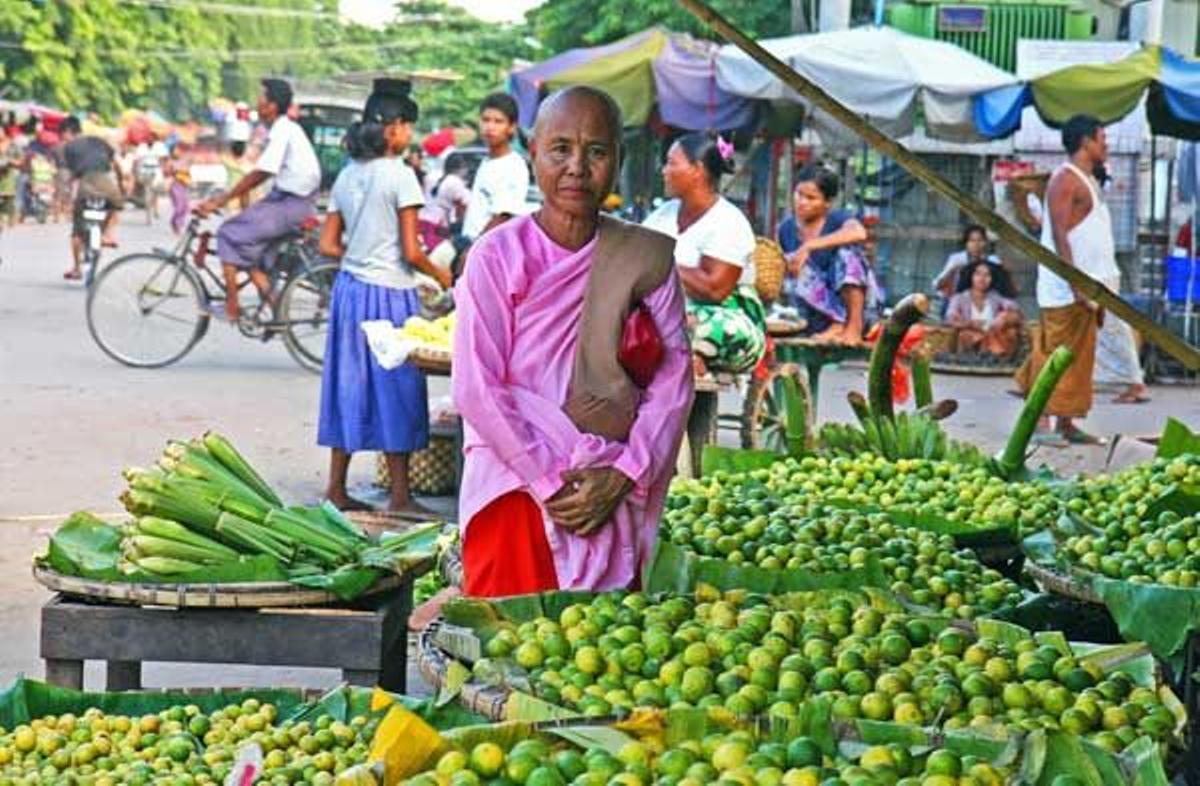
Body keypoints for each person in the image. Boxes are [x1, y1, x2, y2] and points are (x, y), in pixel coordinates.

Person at [453, 85, 692, 596]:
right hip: (515, 479)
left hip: (611, 482)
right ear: (533, 153)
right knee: (501, 650)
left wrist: (626, 473)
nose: (577, 167)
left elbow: (674, 381)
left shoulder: (645, 257)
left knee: (600, 654)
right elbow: (477, 386)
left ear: (619, 163)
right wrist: (549, 481)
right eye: (560, 148)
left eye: (597, 151)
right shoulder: (496, 256)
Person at [317, 79, 453, 514]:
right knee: (398, 389)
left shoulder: (348, 173)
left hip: (349, 292)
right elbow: (412, 251)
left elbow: (327, 244)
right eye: (408, 126)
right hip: (389, 294)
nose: (409, 134)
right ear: (395, 129)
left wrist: (361, 253)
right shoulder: (400, 175)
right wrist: (443, 274)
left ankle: (336, 488)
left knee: (347, 385)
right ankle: (400, 496)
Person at [1014, 115, 1111, 446]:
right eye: (1102, 138)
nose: (1106, 145)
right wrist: (1075, 285)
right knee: (1053, 354)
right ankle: (1040, 424)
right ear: (1086, 142)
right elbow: (1059, 234)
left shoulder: (1087, 179)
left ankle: (1066, 424)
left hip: (1089, 286)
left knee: (1079, 358)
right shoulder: (1064, 179)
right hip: (1065, 289)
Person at [196, 78, 321, 322]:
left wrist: (222, 200)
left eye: (262, 98)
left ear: (272, 106)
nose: (257, 102)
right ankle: (276, 308)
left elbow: (262, 172)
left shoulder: (283, 130)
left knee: (229, 234)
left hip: (292, 203)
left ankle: (231, 307)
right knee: (251, 253)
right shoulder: (282, 130)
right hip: (284, 199)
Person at [642, 133, 765, 375]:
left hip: (724, 322)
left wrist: (663, 263)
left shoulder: (728, 222)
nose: (664, 171)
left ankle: (685, 358)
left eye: (671, 163)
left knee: (693, 324)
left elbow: (714, 290)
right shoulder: (663, 215)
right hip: (668, 316)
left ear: (697, 170)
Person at [776, 166, 880, 344]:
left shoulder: (838, 219)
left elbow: (859, 233)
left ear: (827, 202)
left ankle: (851, 327)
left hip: (853, 309)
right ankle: (827, 326)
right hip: (809, 312)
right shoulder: (786, 228)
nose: (802, 202)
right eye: (799, 194)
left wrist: (809, 246)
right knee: (790, 262)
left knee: (848, 256)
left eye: (811, 198)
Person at [59, 116, 126, 281]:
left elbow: (69, 175)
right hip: (106, 182)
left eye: (62, 134)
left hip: (86, 185)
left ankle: (76, 269)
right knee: (116, 206)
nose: (62, 138)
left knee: (77, 230)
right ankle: (108, 234)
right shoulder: (99, 141)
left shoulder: (68, 147)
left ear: (67, 132)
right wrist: (122, 182)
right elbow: (116, 165)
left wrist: (65, 198)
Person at [459, 92, 529, 244]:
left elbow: (502, 218)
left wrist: (472, 251)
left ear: (511, 127)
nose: (490, 127)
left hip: (484, 249)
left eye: (498, 121)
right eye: (485, 120)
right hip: (468, 242)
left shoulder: (513, 166)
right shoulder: (488, 161)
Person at [945, 261, 1023, 357]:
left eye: (987, 275)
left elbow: (1015, 309)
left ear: (992, 279)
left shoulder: (995, 297)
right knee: (966, 335)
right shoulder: (959, 298)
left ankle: (996, 354)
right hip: (973, 337)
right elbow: (949, 318)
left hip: (994, 333)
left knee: (1010, 328)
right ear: (971, 276)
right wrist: (970, 324)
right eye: (978, 274)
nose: (982, 279)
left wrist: (1003, 317)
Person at [933, 224, 1008, 301]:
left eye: (980, 240)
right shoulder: (957, 259)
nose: (976, 244)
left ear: (985, 242)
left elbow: (1005, 288)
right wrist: (952, 271)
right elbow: (938, 285)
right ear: (966, 243)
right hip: (957, 302)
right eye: (972, 241)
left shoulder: (993, 260)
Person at [417, 151, 470, 252]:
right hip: (438, 225)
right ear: (460, 167)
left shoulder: (431, 176)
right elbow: (461, 206)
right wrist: (460, 223)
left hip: (421, 220)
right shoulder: (455, 181)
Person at [164, 144, 191, 235]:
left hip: (183, 185)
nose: (178, 152)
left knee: (185, 206)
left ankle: (179, 224)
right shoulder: (169, 161)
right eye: (176, 150)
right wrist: (173, 171)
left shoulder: (184, 161)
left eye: (179, 150)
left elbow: (188, 172)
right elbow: (166, 173)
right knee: (178, 206)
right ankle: (175, 223)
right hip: (174, 185)